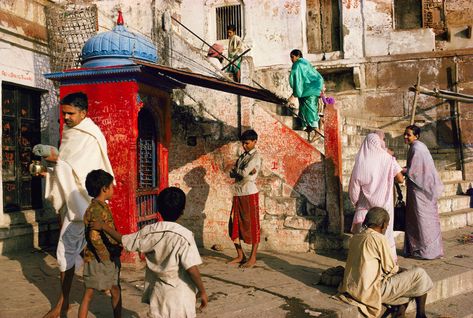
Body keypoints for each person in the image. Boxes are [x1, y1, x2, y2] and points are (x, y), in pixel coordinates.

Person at [33, 92, 114, 318]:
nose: (66, 117)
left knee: (96, 254)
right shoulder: (70, 133)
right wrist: (51, 170)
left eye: (71, 113)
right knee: (66, 253)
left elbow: (85, 173)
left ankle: (65, 304)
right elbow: (67, 168)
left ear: (83, 113)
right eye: (64, 113)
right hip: (72, 204)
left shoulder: (90, 135)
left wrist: (57, 161)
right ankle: (64, 303)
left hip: (86, 204)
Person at [90, 187, 208, 318]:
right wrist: (202, 291)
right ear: (182, 211)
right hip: (181, 296)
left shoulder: (149, 231)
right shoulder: (185, 236)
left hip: (158, 294)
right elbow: (191, 268)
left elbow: (124, 240)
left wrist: (103, 226)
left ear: (158, 209)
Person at [337, 207, 433, 318]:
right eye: (386, 226)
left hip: (353, 289)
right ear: (382, 224)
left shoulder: (356, 237)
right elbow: (391, 268)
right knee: (419, 274)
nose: (386, 229)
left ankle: (399, 312)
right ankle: (421, 315)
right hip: (371, 291)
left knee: (406, 280)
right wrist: (404, 271)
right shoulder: (378, 239)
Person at [348, 132, 404, 261]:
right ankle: (387, 259)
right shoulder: (388, 159)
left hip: (365, 204)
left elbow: (354, 186)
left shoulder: (361, 161)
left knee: (366, 232)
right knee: (385, 232)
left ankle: (366, 258)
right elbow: (400, 179)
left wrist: (355, 201)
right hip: (385, 203)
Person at [79, 169, 121, 318]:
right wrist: (105, 258)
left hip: (108, 256)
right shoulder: (96, 209)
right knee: (89, 293)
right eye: (111, 186)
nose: (113, 189)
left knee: (115, 289)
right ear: (104, 189)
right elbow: (94, 237)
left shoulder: (100, 206)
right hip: (99, 258)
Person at [403, 125, 444, 260]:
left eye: (408, 134)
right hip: (423, 190)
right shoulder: (419, 147)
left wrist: (402, 170)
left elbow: (415, 172)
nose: (405, 137)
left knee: (422, 220)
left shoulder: (416, 148)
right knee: (423, 220)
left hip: (420, 191)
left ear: (416, 136)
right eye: (405, 134)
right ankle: (425, 249)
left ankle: (425, 251)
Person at [228, 129, 262, 268]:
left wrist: (239, 171)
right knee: (233, 223)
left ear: (255, 142)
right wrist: (240, 172)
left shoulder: (255, 157)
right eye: (243, 143)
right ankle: (240, 255)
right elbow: (236, 173)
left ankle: (253, 257)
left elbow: (241, 172)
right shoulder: (243, 157)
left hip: (249, 193)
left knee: (252, 225)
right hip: (238, 192)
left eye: (247, 143)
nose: (244, 146)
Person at [288, 49, 324, 134]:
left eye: (292, 57)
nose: (291, 60)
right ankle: (309, 128)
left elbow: (297, 80)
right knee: (305, 109)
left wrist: (294, 94)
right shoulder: (307, 63)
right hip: (314, 89)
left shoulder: (297, 64)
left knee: (309, 110)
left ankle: (317, 131)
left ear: (297, 56)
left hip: (308, 90)